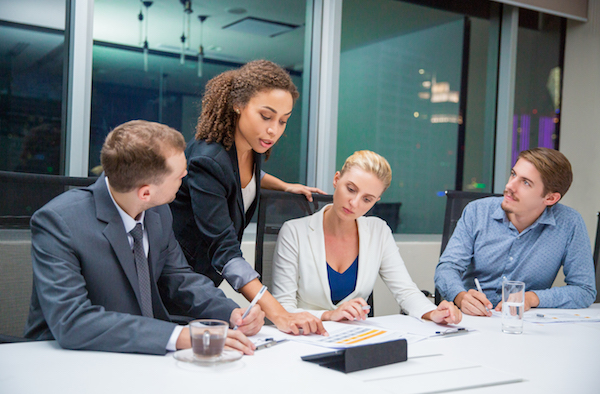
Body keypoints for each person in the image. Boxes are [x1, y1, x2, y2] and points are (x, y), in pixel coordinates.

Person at [24, 120, 264, 355]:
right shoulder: (59, 222)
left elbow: (179, 277)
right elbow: (72, 321)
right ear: (145, 192)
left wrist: (231, 313)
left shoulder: (157, 210)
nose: (186, 177)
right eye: (180, 177)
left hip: (143, 357)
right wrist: (180, 336)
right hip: (69, 360)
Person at [170, 60, 327, 336]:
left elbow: (248, 176)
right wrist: (280, 314)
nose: (273, 130)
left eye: (283, 121)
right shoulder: (208, 160)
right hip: (178, 283)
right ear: (238, 104)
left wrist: (284, 186)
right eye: (266, 116)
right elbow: (225, 250)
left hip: (204, 279)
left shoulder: (247, 145)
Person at [271, 150, 462, 324]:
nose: (354, 203)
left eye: (367, 199)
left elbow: (405, 291)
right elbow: (283, 308)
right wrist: (329, 315)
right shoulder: (294, 232)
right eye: (351, 189)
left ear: (375, 202)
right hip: (304, 338)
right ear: (336, 179)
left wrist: (433, 312)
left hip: (355, 339)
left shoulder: (378, 231)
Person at [435, 147, 597, 316]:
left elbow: (584, 290)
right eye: (513, 174)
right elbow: (447, 268)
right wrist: (460, 297)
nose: (509, 186)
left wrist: (531, 298)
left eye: (526, 182)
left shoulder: (569, 223)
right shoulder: (477, 212)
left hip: (524, 324)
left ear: (550, 198)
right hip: (473, 319)